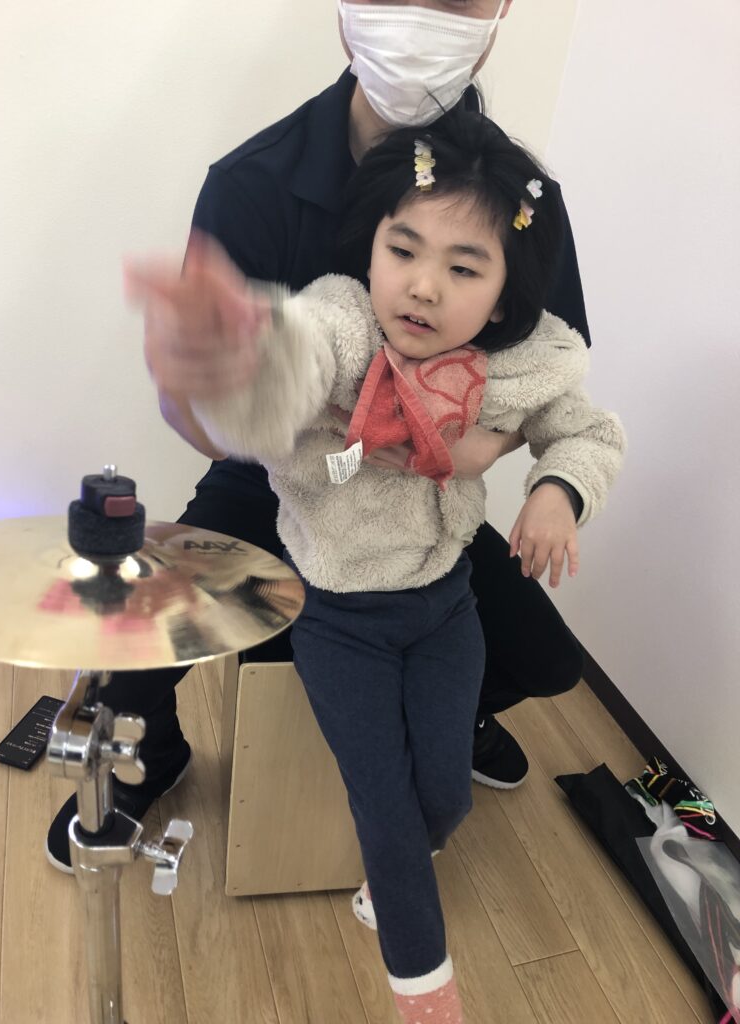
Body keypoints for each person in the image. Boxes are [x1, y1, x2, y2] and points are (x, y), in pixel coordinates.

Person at [46, 0, 589, 871]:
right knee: (139, 656)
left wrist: (472, 451)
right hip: (276, 474)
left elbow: (550, 372)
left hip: (419, 496)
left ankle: (447, 716)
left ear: (501, 10)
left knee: (548, 660)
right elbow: (207, 429)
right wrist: (194, 380)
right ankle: (159, 748)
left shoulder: (522, 200)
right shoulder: (252, 182)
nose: (420, 11)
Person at [126, 111, 625, 1022]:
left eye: (464, 269)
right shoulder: (343, 317)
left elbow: (585, 428)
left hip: (445, 607)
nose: (423, 286)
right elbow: (291, 362)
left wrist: (557, 490)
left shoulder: (522, 358)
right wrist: (236, 349)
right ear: (373, 246)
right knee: (386, 811)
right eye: (403, 250)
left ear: (504, 298)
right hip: (342, 618)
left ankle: (399, 863)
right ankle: (423, 988)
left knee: (443, 799)